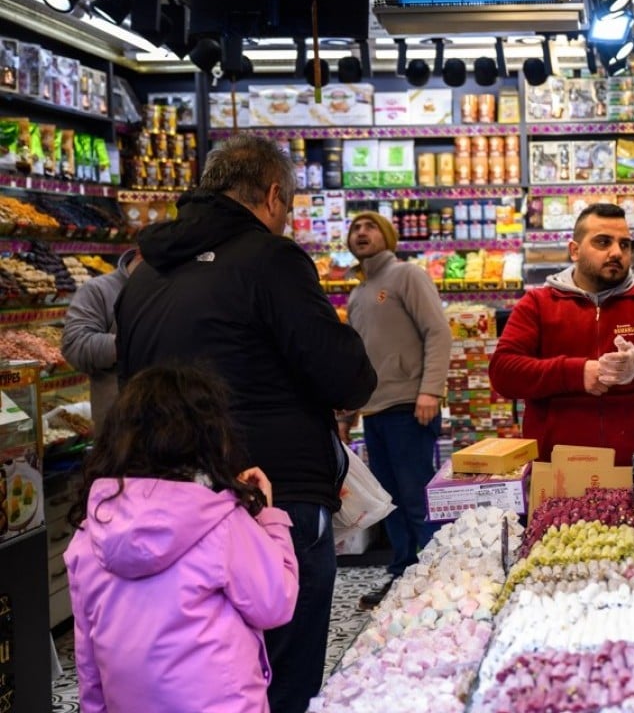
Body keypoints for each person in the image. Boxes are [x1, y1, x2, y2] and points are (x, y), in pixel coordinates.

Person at [115, 134, 377, 713]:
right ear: (273, 195)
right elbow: (346, 377)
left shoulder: (145, 275)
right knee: (282, 670)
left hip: (166, 502)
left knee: (202, 668)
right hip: (269, 495)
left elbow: (131, 381)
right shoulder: (272, 260)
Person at [65, 364, 298, 713]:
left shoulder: (89, 536)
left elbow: (88, 660)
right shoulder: (221, 523)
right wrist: (268, 518)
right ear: (209, 438)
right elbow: (275, 602)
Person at [490, 203, 634, 470]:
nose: (616, 252)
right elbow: (503, 373)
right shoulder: (538, 304)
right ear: (574, 250)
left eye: (624, 244)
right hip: (557, 473)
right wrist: (576, 374)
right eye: (603, 242)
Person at [341, 212, 452, 610]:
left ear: (387, 235)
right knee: (388, 499)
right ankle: (403, 572)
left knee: (416, 495)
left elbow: (438, 332)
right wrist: (348, 411)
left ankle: (437, 575)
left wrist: (431, 390)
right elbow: (359, 357)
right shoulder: (358, 294)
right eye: (355, 228)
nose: (362, 232)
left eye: (370, 226)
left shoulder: (407, 275)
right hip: (375, 410)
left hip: (410, 405)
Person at [60, 247, 142, 433]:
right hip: (116, 428)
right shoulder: (98, 290)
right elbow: (75, 345)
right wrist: (133, 342)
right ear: (140, 254)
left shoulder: (169, 289)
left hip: (166, 425)